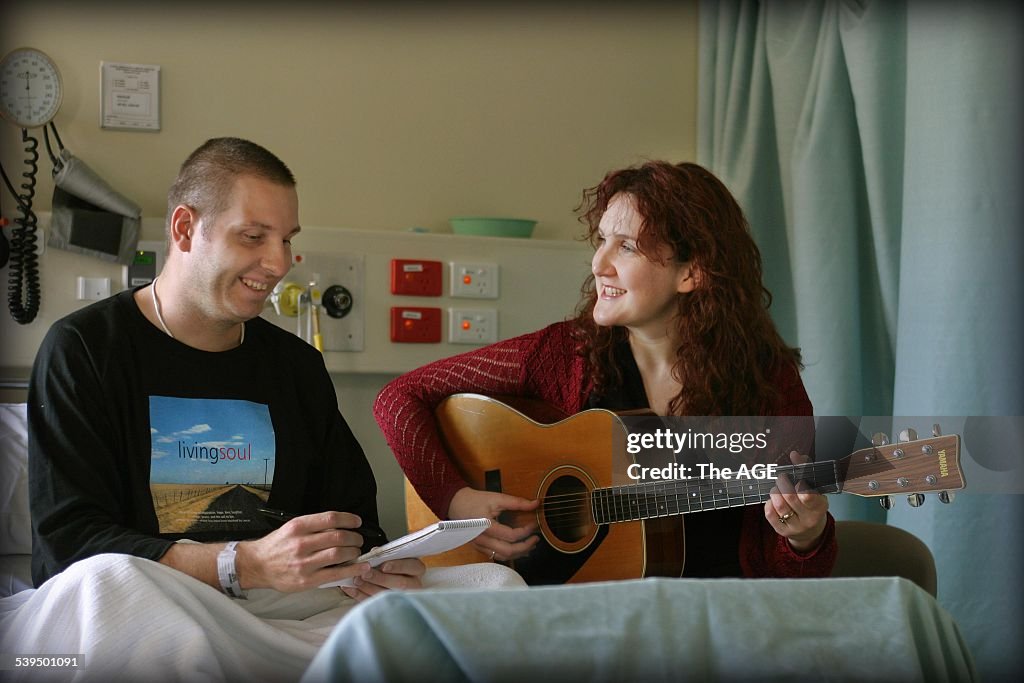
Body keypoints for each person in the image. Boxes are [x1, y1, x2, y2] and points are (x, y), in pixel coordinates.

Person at [5, 138, 521, 681]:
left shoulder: (295, 367)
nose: (278, 263)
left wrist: (378, 567)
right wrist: (241, 563)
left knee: (496, 591)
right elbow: (69, 546)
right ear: (184, 229)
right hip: (158, 604)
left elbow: (355, 522)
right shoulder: (86, 349)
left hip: (282, 612)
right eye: (253, 237)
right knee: (109, 588)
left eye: (286, 240)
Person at [374, 160, 836, 578]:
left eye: (628, 247)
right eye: (602, 241)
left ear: (691, 272)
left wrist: (804, 535)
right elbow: (397, 398)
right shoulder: (565, 354)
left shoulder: (766, 384)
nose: (599, 264)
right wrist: (457, 499)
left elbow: (792, 577)